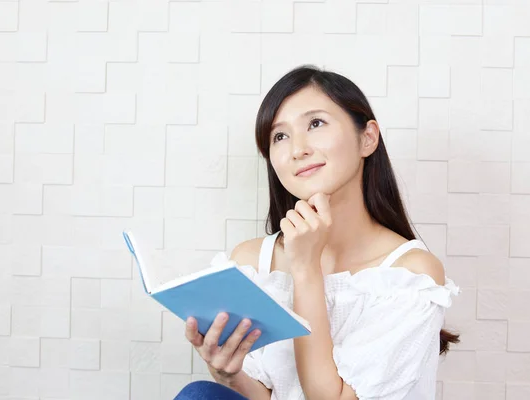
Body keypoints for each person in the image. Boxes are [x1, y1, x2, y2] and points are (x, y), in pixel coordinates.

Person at [179, 65, 460, 400]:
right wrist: (229, 374)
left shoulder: (409, 274)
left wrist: (306, 268)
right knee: (201, 394)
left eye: (315, 123)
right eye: (279, 136)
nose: (298, 149)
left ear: (367, 138)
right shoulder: (253, 263)